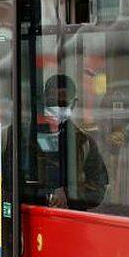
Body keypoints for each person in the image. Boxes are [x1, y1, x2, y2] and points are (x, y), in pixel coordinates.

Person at [42, 74, 108, 210]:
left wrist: (67, 194)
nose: (57, 107)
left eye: (63, 103)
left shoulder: (84, 142)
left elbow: (97, 190)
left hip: (72, 219)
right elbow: (10, 183)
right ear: (44, 100)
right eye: (52, 102)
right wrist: (47, 195)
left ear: (74, 104)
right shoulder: (23, 137)